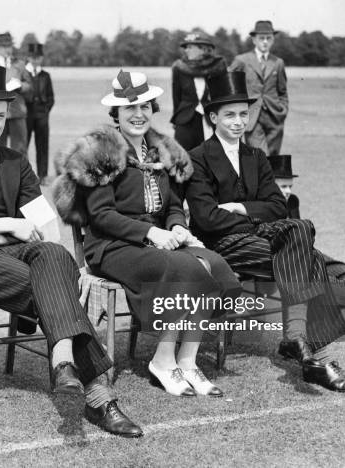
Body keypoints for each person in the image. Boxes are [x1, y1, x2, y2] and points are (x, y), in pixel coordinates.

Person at [0, 65, 143, 438]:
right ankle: (99, 395)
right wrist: (8, 225)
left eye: (0, 116)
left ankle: (62, 360)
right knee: (52, 285)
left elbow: (42, 228)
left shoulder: (16, 161)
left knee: (55, 257)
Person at [54, 70, 242, 398]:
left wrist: (178, 227)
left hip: (155, 240)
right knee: (185, 269)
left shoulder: (160, 150)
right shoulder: (101, 150)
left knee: (215, 265)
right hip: (111, 246)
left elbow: (170, 204)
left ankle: (187, 359)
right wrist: (151, 233)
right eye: (130, 109)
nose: (138, 115)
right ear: (116, 114)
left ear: (153, 110)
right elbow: (101, 216)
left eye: (145, 107)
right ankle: (163, 360)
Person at [178, 71, 345, 394]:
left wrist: (240, 208)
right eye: (229, 115)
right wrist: (254, 215)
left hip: (258, 238)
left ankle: (302, 346)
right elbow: (207, 219)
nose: (238, 122)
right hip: (221, 245)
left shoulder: (257, 156)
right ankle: (308, 349)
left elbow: (278, 206)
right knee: (307, 254)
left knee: (300, 230)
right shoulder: (198, 158)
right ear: (212, 117)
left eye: (243, 114)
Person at [271, 154, 345, 319]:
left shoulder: (292, 201)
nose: (288, 191)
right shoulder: (260, 208)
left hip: (306, 252)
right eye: (283, 186)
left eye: (290, 186)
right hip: (286, 262)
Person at [229, 20, 288, 156]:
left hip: (275, 117)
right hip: (252, 117)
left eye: (269, 38)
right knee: (260, 156)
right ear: (254, 40)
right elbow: (228, 83)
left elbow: (283, 91)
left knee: (274, 158)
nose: (265, 42)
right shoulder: (242, 60)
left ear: (273, 40)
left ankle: (269, 178)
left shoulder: (278, 63)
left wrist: (283, 111)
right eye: (261, 38)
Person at [171, 31, 227, 152]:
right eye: (185, 47)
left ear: (203, 49)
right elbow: (176, 97)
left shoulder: (218, 67)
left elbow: (224, 96)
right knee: (183, 158)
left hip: (210, 120)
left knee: (211, 156)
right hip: (185, 120)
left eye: (190, 47)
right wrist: (176, 120)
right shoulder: (179, 68)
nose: (186, 50)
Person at [0, 32, 32, 156]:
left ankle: (20, 176)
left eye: (9, 46)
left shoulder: (20, 65)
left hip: (17, 113)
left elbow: (29, 85)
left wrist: (20, 86)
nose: (7, 49)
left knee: (20, 151)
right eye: (4, 46)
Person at [26, 42, 55, 185]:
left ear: (41, 58)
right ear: (29, 57)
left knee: (42, 145)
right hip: (26, 115)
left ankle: (43, 175)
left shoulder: (46, 76)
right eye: (33, 57)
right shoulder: (24, 74)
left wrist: (45, 111)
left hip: (42, 115)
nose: (36, 60)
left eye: (38, 57)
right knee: (23, 145)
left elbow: (51, 97)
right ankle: (23, 175)